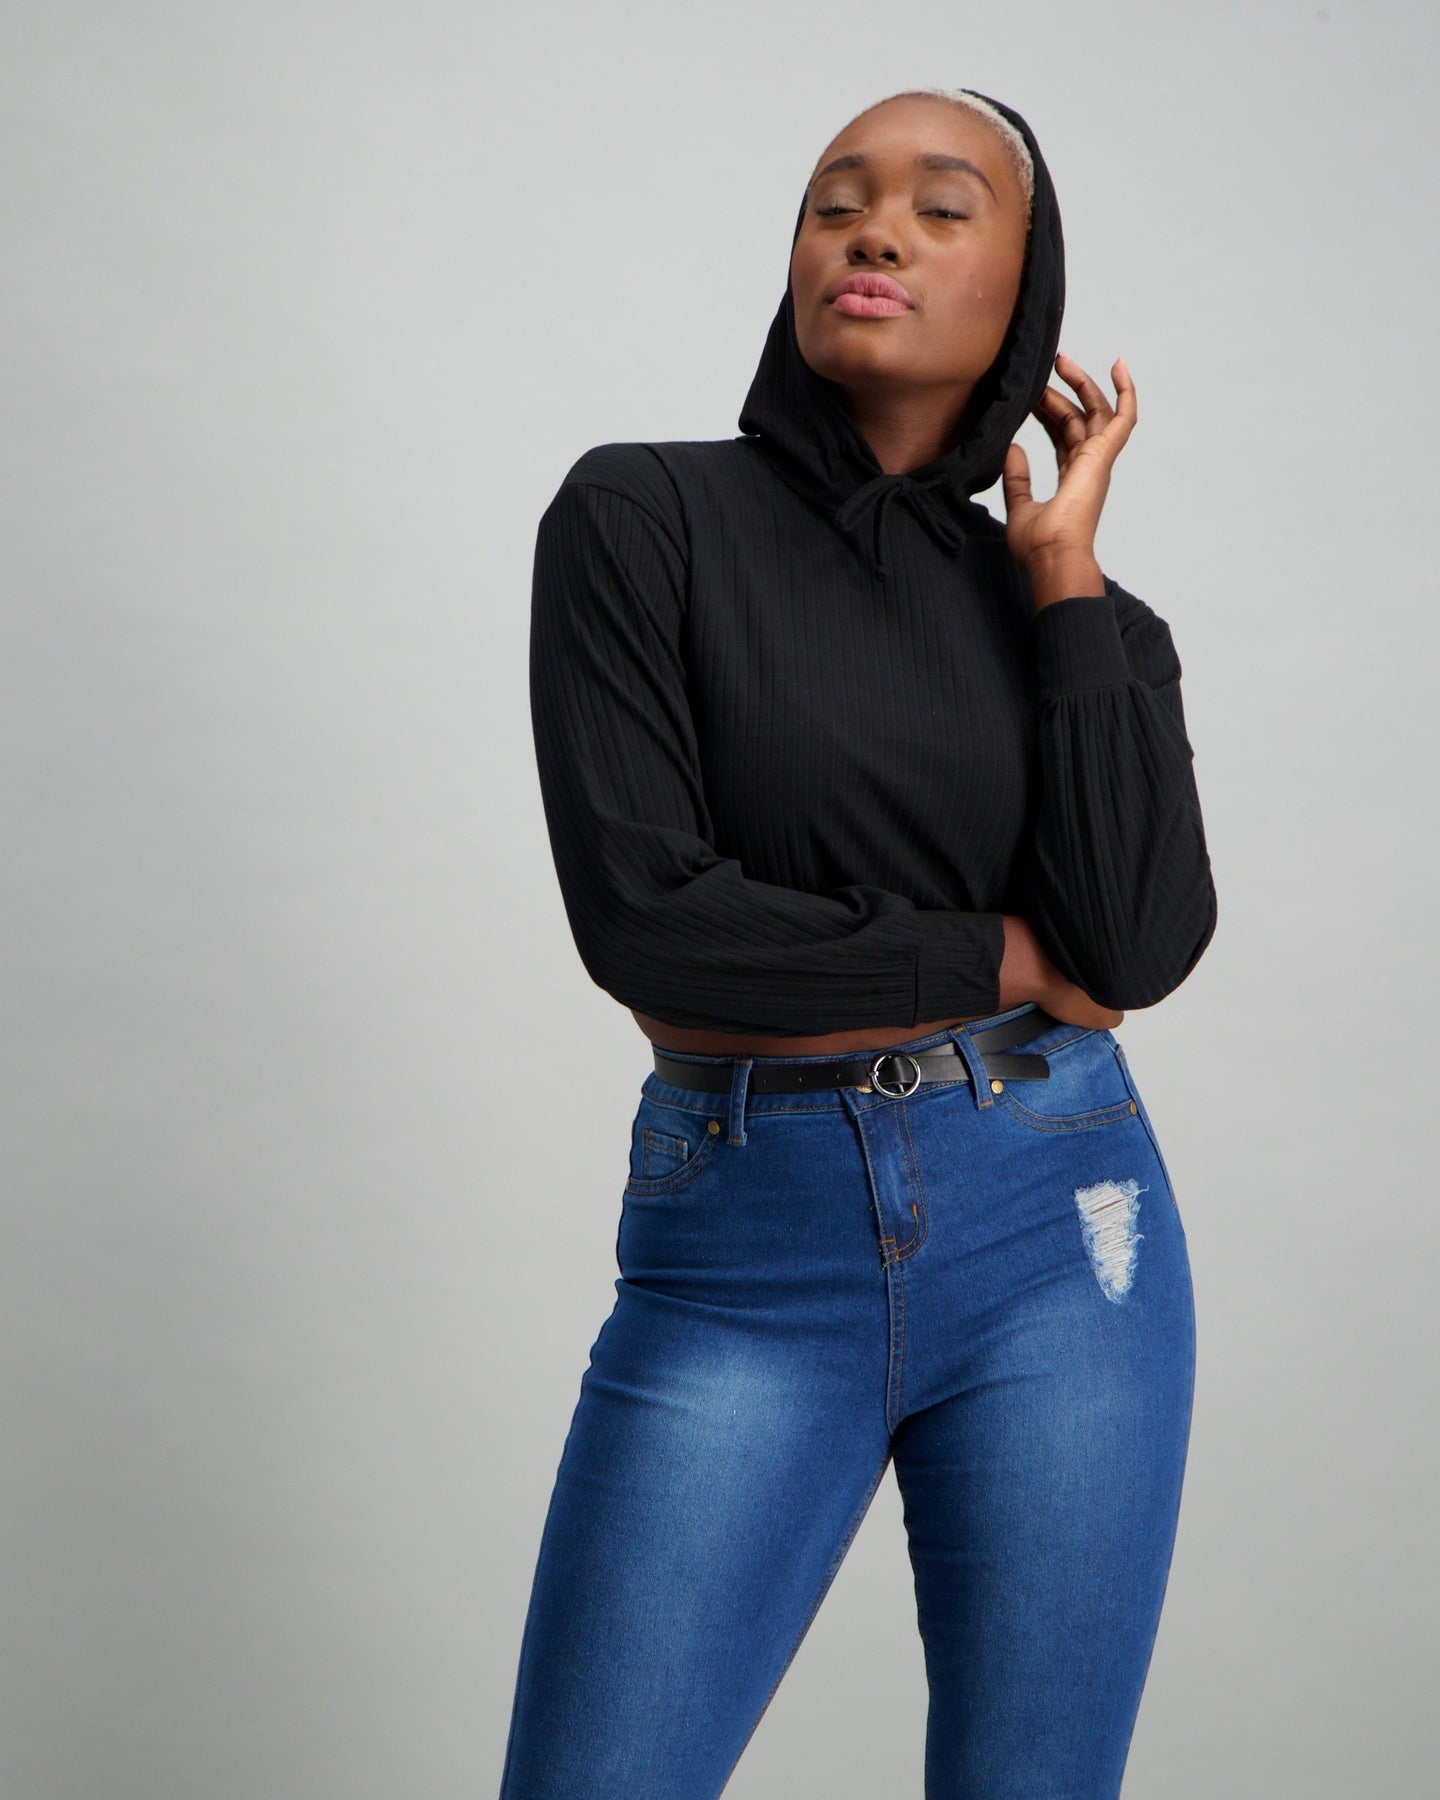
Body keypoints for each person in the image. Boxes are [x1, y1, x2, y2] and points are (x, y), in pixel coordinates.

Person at [500, 85, 1219, 1800]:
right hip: (747, 1246)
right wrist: (1008, 962)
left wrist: (1063, 579)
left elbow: (1136, 945)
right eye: (837, 201)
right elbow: (655, 926)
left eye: (939, 206)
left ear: (1025, 292)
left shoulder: (1089, 625)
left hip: (1064, 1232)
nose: (875, 230)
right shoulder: (642, 518)